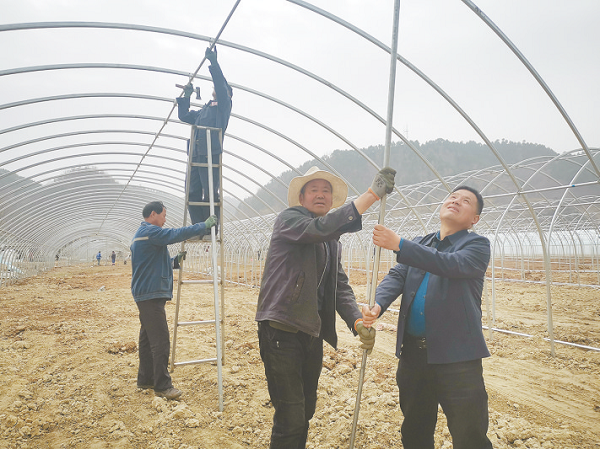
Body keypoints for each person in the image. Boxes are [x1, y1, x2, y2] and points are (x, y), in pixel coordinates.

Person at [256, 165, 396, 448]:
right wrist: (371, 196)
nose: (320, 195)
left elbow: (339, 286)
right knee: (290, 416)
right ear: (302, 197)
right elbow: (319, 228)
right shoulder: (290, 220)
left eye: (326, 191)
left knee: (305, 410)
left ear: (332, 200)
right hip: (281, 330)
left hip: (311, 332)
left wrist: (357, 322)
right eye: (314, 190)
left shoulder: (332, 242)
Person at [361, 186, 492, 449]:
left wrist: (399, 244)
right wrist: (377, 304)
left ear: (474, 219)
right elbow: (398, 276)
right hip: (414, 356)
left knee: (469, 434)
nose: (456, 201)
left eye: (466, 201)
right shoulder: (422, 243)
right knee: (415, 429)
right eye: (453, 197)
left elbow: (449, 264)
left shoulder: (476, 245)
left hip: (457, 358)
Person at [130, 201, 217, 400]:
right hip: (150, 294)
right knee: (160, 340)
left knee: (147, 338)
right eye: (163, 215)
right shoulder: (150, 232)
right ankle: (162, 386)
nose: (165, 219)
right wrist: (203, 225)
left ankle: (145, 379)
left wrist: (174, 262)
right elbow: (175, 234)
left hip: (146, 293)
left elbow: (150, 263)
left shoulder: (142, 235)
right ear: (153, 214)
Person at [176, 46, 233, 226]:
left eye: (219, 87)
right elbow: (184, 116)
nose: (215, 88)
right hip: (195, 153)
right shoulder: (203, 111)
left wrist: (214, 63)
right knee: (191, 190)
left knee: (209, 191)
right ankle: (198, 226)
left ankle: (211, 227)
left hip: (210, 152)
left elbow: (222, 88)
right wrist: (187, 95)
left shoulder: (223, 107)